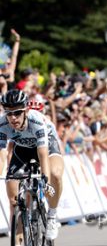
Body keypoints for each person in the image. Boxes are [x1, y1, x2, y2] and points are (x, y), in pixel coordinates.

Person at [0, 90, 61, 242]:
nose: (13, 118)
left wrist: (45, 179)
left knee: (55, 174)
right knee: (14, 200)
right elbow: (1, 154)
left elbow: (42, 154)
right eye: (9, 113)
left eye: (18, 113)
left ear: (26, 110)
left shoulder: (36, 120)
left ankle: (52, 216)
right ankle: (19, 239)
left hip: (46, 146)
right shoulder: (2, 124)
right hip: (23, 151)